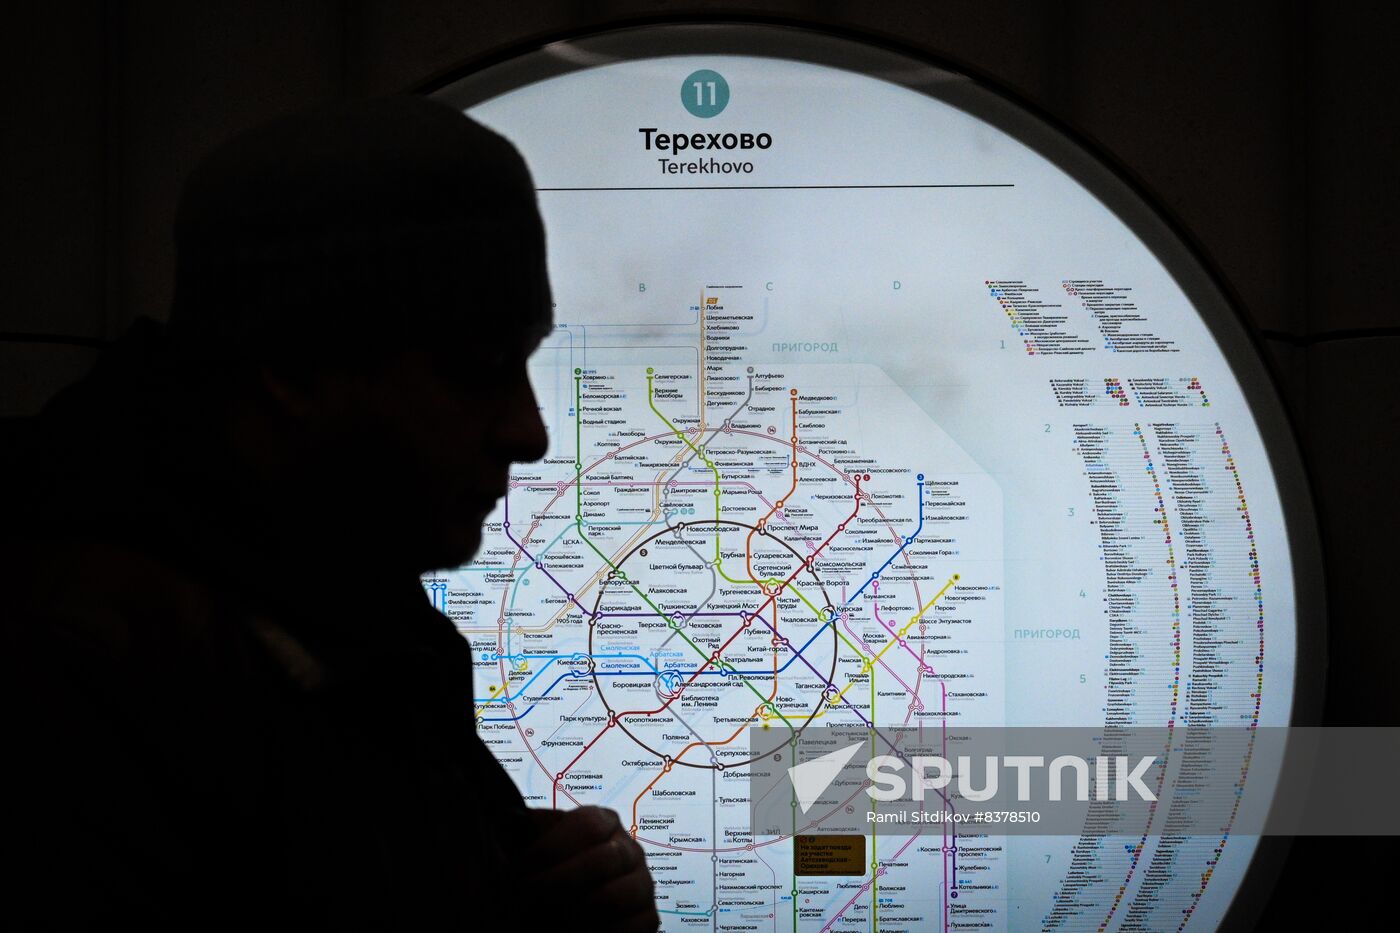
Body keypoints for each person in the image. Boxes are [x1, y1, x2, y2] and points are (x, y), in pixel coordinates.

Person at [3, 97, 658, 931]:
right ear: (296, 368)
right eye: (480, 368)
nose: (528, 434)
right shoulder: (69, 682)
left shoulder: (344, 606)